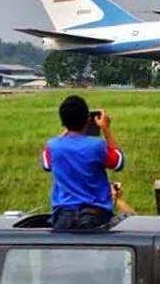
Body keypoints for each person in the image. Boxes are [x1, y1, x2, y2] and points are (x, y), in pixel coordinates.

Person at [41, 95, 125, 230]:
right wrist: (106, 129)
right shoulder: (97, 145)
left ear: (62, 121)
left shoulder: (53, 146)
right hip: (95, 215)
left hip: (63, 215)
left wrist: (67, 128)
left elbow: (46, 165)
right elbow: (119, 162)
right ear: (87, 119)